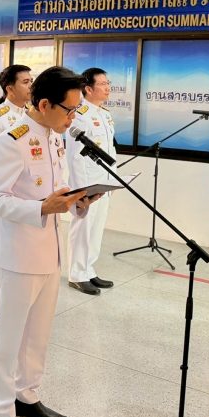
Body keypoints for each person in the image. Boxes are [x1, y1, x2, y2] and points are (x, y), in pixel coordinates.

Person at [0, 66, 98, 417]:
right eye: (69, 109)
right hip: (18, 255)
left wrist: (77, 201)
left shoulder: (54, 138)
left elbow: (56, 191)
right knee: (9, 336)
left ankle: (27, 394)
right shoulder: (12, 140)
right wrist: (40, 208)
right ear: (45, 104)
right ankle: (1, 408)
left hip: (50, 251)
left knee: (38, 333)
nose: (73, 118)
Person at [65, 67, 117, 295]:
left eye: (108, 83)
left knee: (96, 230)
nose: (108, 88)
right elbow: (75, 156)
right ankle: (77, 274)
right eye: (103, 84)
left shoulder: (105, 114)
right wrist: (81, 191)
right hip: (88, 183)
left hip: (104, 180)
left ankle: (89, 269)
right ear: (88, 88)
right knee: (83, 228)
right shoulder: (80, 114)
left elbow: (110, 149)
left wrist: (113, 178)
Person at [0, 65, 32, 159]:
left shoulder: (32, 113)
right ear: (10, 89)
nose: (31, 86)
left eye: (31, 81)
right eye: (25, 82)